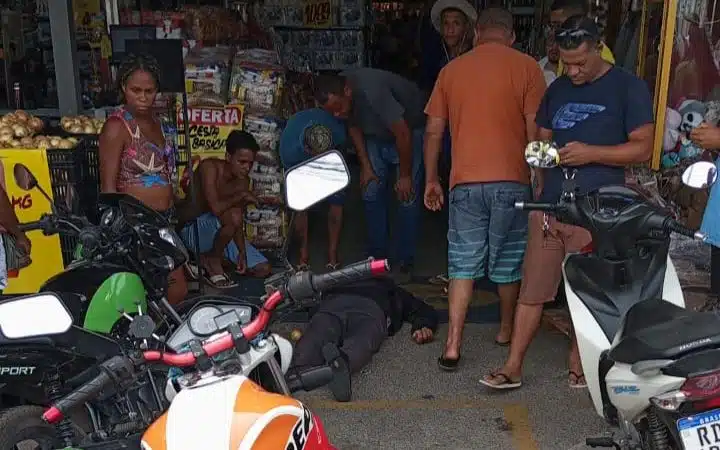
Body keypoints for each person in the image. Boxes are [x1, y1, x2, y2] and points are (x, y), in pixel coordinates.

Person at [480, 16, 654, 390]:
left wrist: (591, 152)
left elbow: (643, 147)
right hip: (550, 206)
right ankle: (513, 366)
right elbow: (540, 141)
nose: (572, 71)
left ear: (597, 49)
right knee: (533, 289)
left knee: (585, 289)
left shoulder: (628, 88)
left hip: (597, 208)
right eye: (565, 63)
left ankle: (579, 361)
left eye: (579, 63)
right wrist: (542, 158)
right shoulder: (557, 89)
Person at [424, 7, 546, 371]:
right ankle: (506, 330)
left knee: (462, 264)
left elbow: (433, 131)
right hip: (512, 182)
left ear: (477, 33)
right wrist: (539, 177)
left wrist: (431, 178)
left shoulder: (451, 71)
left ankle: (452, 343)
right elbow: (533, 131)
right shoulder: (527, 68)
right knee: (509, 261)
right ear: (510, 36)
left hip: (465, 183)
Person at [315, 69, 427, 280]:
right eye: (332, 113)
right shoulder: (342, 95)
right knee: (370, 190)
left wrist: (404, 176)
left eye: (338, 108)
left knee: (407, 197)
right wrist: (365, 166)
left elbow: (402, 133)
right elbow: (352, 125)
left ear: (347, 91)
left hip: (409, 131)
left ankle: (405, 261)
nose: (337, 115)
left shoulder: (373, 92)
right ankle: (378, 258)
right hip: (376, 134)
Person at [99, 54, 187, 305]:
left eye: (149, 91)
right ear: (123, 89)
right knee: (158, 291)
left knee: (173, 290)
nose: (143, 97)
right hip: (135, 226)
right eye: (135, 90)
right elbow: (108, 186)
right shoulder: (117, 127)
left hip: (164, 220)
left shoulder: (158, 123)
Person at [289, 276, 438, 401]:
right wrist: (424, 326)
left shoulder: (336, 281)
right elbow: (422, 309)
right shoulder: (390, 289)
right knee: (363, 339)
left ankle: (295, 370)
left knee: (317, 334)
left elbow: (304, 299)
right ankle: (342, 363)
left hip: (335, 305)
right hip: (368, 309)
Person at [177, 130, 271, 287]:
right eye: (242, 162)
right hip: (194, 230)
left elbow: (237, 219)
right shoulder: (210, 168)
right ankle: (212, 260)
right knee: (232, 215)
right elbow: (216, 209)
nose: (246, 168)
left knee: (263, 268)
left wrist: (241, 251)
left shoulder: (242, 181)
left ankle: (210, 260)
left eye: (250, 163)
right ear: (228, 157)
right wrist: (241, 195)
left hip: (222, 234)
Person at [279, 109, 348, 270]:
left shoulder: (335, 129)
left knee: (337, 201)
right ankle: (304, 254)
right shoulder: (289, 151)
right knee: (300, 205)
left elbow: (343, 145)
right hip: (301, 164)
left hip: (330, 157)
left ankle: (332, 253)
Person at [548, 0, 615, 78]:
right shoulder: (566, 49)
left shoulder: (600, 55)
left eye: (558, 25)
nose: (553, 31)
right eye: (552, 26)